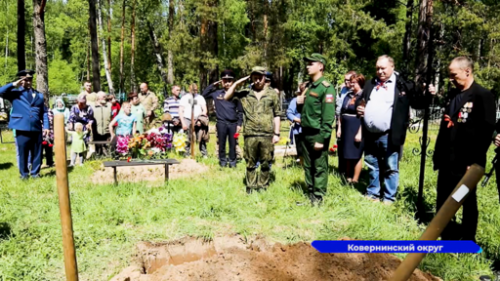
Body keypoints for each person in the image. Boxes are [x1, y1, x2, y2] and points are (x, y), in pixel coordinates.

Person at [432, 56, 495, 242]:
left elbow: (486, 131)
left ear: (467, 71)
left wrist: (474, 162)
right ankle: (445, 234)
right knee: (443, 197)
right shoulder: (453, 95)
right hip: (448, 159)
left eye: (454, 75)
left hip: (467, 163)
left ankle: (467, 239)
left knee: (466, 199)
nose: (451, 79)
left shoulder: (482, 96)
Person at [356, 55, 431, 205]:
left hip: (389, 134)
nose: (380, 71)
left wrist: (429, 94)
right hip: (370, 133)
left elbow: (418, 103)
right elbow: (362, 99)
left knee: (390, 166)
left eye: (383, 68)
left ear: (392, 67)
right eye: (377, 68)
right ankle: (373, 193)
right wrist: (360, 107)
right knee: (372, 164)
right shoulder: (371, 83)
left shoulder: (402, 84)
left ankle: (389, 197)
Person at [224, 66, 281, 194]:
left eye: (260, 78)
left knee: (266, 163)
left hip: (267, 134)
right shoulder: (245, 93)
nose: (257, 81)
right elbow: (227, 97)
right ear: (251, 78)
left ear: (264, 78)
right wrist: (238, 83)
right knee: (250, 163)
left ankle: (262, 186)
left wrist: (276, 133)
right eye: (255, 78)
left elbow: (277, 114)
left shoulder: (272, 94)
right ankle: (250, 187)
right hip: (250, 134)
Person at [297, 54, 335, 205]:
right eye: (307, 63)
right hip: (305, 132)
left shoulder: (326, 87)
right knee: (308, 165)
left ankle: (318, 196)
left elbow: (328, 116)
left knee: (319, 166)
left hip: (317, 134)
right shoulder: (309, 86)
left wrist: (322, 138)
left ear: (320, 66)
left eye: (311, 63)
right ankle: (310, 192)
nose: (307, 66)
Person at [0, 69, 49, 179]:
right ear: (20, 80)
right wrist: (13, 84)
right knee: (23, 153)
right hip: (21, 127)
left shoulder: (39, 95)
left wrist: (46, 126)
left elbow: (44, 112)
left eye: (30, 79)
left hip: (36, 128)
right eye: (25, 79)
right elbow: (0, 92)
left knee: (37, 153)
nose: (28, 82)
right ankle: (24, 175)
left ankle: (35, 173)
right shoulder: (15, 93)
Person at [202, 69, 243, 167]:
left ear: (233, 82)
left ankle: (233, 162)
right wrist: (214, 84)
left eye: (230, 81)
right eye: (225, 80)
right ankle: (223, 162)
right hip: (221, 123)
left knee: (233, 144)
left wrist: (239, 124)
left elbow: (240, 111)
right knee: (221, 144)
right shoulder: (216, 93)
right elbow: (204, 94)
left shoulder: (236, 94)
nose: (227, 83)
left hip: (233, 124)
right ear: (221, 81)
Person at [337, 73, 365, 183]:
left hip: (357, 126)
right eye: (351, 82)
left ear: (360, 83)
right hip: (346, 127)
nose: (351, 84)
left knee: (356, 155)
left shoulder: (363, 96)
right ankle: (348, 177)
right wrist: (339, 128)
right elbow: (341, 112)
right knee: (347, 154)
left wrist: (360, 133)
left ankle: (355, 179)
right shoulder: (348, 95)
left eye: (354, 83)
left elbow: (364, 116)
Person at [179, 83, 208, 157]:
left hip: (198, 119)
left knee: (201, 137)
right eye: (193, 90)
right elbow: (180, 111)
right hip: (187, 119)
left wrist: (200, 119)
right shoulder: (184, 98)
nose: (194, 91)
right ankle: (187, 153)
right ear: (189, 89)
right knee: (187, 137)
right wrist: (183, 123)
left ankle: (204, 154)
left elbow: (204, 109)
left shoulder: (200, 98)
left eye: (196, 90)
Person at [336, 71, 356, 174]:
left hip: (351, 123)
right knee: (340, 146)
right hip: (339, 120)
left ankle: (352, 172)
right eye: (345, 80)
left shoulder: (355, 91)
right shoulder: (343, 89)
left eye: (348, 80)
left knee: (350, 148)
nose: (346, 82)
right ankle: (342, 169)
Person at [286, 88, 304, 163]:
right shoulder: (294, 101)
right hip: (299, 129)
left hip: (311, 128)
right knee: (300, 149)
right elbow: (289, 113)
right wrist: (298, 120)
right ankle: (300, 162)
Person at [92, 92, 112, 156]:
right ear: (98, 98)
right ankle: (98, 155)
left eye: (105, 96)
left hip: (107, 130)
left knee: (107, 146)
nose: (105, 97)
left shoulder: (109, 106)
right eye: (103, 96)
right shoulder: (92, 107)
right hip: (96, 131)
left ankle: (108, 156)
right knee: (98, 146)